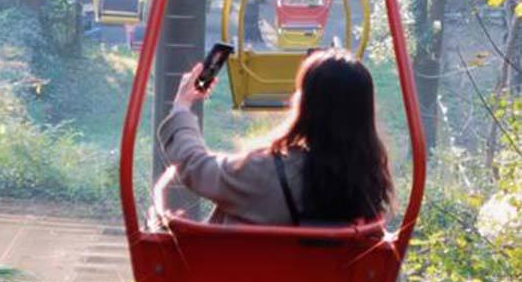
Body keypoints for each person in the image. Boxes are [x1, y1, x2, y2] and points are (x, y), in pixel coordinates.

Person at [157, 48, 393, 225]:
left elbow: (195, 166)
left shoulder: (266, 173)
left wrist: (181, 106)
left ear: (305, 105)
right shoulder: (369, 182)